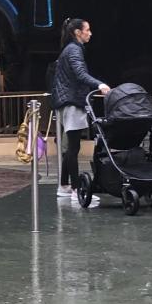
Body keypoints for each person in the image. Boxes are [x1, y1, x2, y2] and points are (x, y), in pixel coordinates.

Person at [52, 17, 110, 199]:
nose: (90, 33)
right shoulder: (74, 50)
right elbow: (80, 74)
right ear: (78, 32)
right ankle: (78, 191)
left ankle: (64, 186)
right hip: (72, 102)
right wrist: (100, 84)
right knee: (73, 148)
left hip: (66, 102)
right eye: (88, 30)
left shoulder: (68, 50)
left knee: (70, 147)